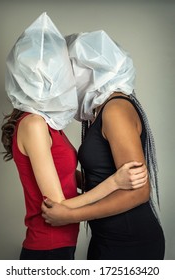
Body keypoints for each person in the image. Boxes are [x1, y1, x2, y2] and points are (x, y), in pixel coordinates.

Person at [1, 15, 147, 260]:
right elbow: (56, 204)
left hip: (62, 243)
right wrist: (114, 182)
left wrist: (94, 180)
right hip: (47, 245)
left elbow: (63, 176)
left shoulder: (47, 124)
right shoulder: (35, 124)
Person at [42, 30, 165, 260]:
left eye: (69, 73)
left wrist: (71, 215)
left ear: (89, 71)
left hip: (130, 243)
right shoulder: (99, 111)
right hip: (106, 238)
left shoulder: (115, 109)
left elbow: (138, 192)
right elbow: (103, 177)